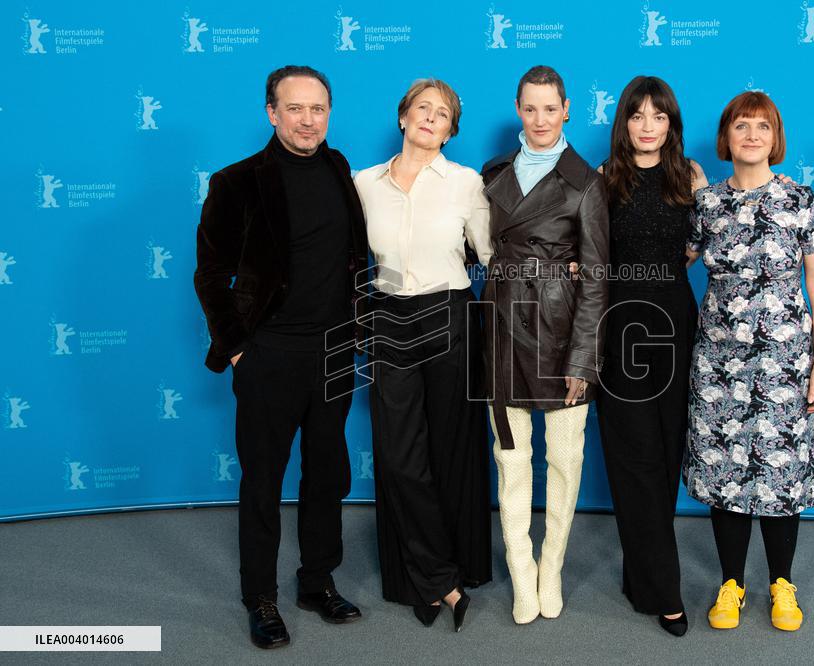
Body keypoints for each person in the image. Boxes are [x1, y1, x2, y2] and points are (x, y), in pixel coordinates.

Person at [194, 65, 367, 649]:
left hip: (335, 350)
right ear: (272, 113)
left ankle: (317, 582)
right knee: (263, 481)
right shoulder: (236, 182)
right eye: (295, 108)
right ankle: (261, 598)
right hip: (269, 355)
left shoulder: (340, 169)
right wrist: (239, 349)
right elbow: (211, 275)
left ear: (329, 112)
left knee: (328, 476)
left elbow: (351, 259)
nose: (307, 119)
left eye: (317, 108)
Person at [684, 91, 814, 632]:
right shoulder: (705, 205)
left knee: (782, 472)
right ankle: (731, 583)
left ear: (776, 138)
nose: (752, 135)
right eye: (741, 126)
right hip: (719, 360)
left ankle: (781, 583)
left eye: (762, 127)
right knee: (725, 470)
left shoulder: (801, 201)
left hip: (784, 360)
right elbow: (667, 259)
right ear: (727, 137)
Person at [353, 78, 493, 632]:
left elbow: (492, 254)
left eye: (443, 113)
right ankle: (438, 578)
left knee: (451, 447)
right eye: (422, 109)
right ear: (403, 117)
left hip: (451, 314)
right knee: (399, 453)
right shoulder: (363, 184)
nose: (431, 118)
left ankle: (449, 572)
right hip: (388, 317)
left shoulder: (466, 183)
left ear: (451, 128)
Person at [481, 65, 609, 624]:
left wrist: (584, 357)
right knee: (511, 460)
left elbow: (599, 276)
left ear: (567, 110)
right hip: (503, 326)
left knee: (563, 461)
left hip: (562, 337)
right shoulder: (492, 173)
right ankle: (521, 572)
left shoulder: (588, 182)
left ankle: (551, 566)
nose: (539, 119)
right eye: (529, 108)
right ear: (517, 107)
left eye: (549, 109)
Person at [595, 75, 707, 637]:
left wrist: (656, 280)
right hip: (619, 329)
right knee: (632, 455)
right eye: (636, 116)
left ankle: (642, 575)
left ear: (671, 123)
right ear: (624, 123)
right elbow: (587, 254)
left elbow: (694, 250)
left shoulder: (690, 176)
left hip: (676, 323)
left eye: (657, 116)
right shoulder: (603, 179)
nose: (646, 126)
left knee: (665, 452)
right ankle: (666, 592)